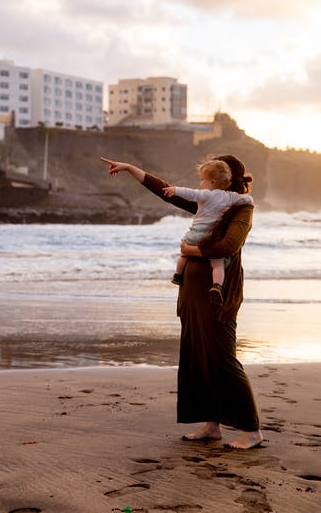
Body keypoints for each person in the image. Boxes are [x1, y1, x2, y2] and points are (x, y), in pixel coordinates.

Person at [100, 154, 263, 450]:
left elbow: (230, 246)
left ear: (227, 179)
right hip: (191, 289)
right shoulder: (210, 203)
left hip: (218, 294)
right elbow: (166, 192)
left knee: (222, 358)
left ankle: (251, 430)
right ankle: (211, 425)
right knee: (196, 355)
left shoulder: (240, 208)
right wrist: (129, 169)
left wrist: (192, 248)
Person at [163, 159, 253, 307]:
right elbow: (247, 199)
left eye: (202, 180)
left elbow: (190, 194)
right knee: (217, 264)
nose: (201, 183)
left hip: (196, 232)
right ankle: (217, 285)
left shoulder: (207, 195)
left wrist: (175, 189)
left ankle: (177, 275)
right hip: (211, 236)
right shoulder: (230, 198)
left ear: (211, 182)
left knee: (184, 253)